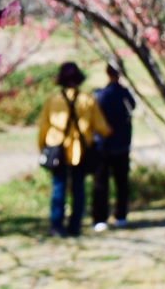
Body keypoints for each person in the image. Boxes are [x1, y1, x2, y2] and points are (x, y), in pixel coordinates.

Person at [38, 62, 110, 237]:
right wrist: (108, 131)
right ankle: (75, 226)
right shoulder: (87, 99)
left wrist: (42, 148)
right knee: (78, 189)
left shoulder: (53, 100)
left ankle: (56, 226)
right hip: (81, 150)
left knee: (59, 188)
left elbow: (43, 127)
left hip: (57, 150)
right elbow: (100, 125)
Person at [92, 64, 136, 232]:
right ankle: (121, 216)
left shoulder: (99, 95)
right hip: (122, 144)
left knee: (101, 182)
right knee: (121, 182)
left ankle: (100, 218)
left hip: (103, 145)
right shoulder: (126, 96)